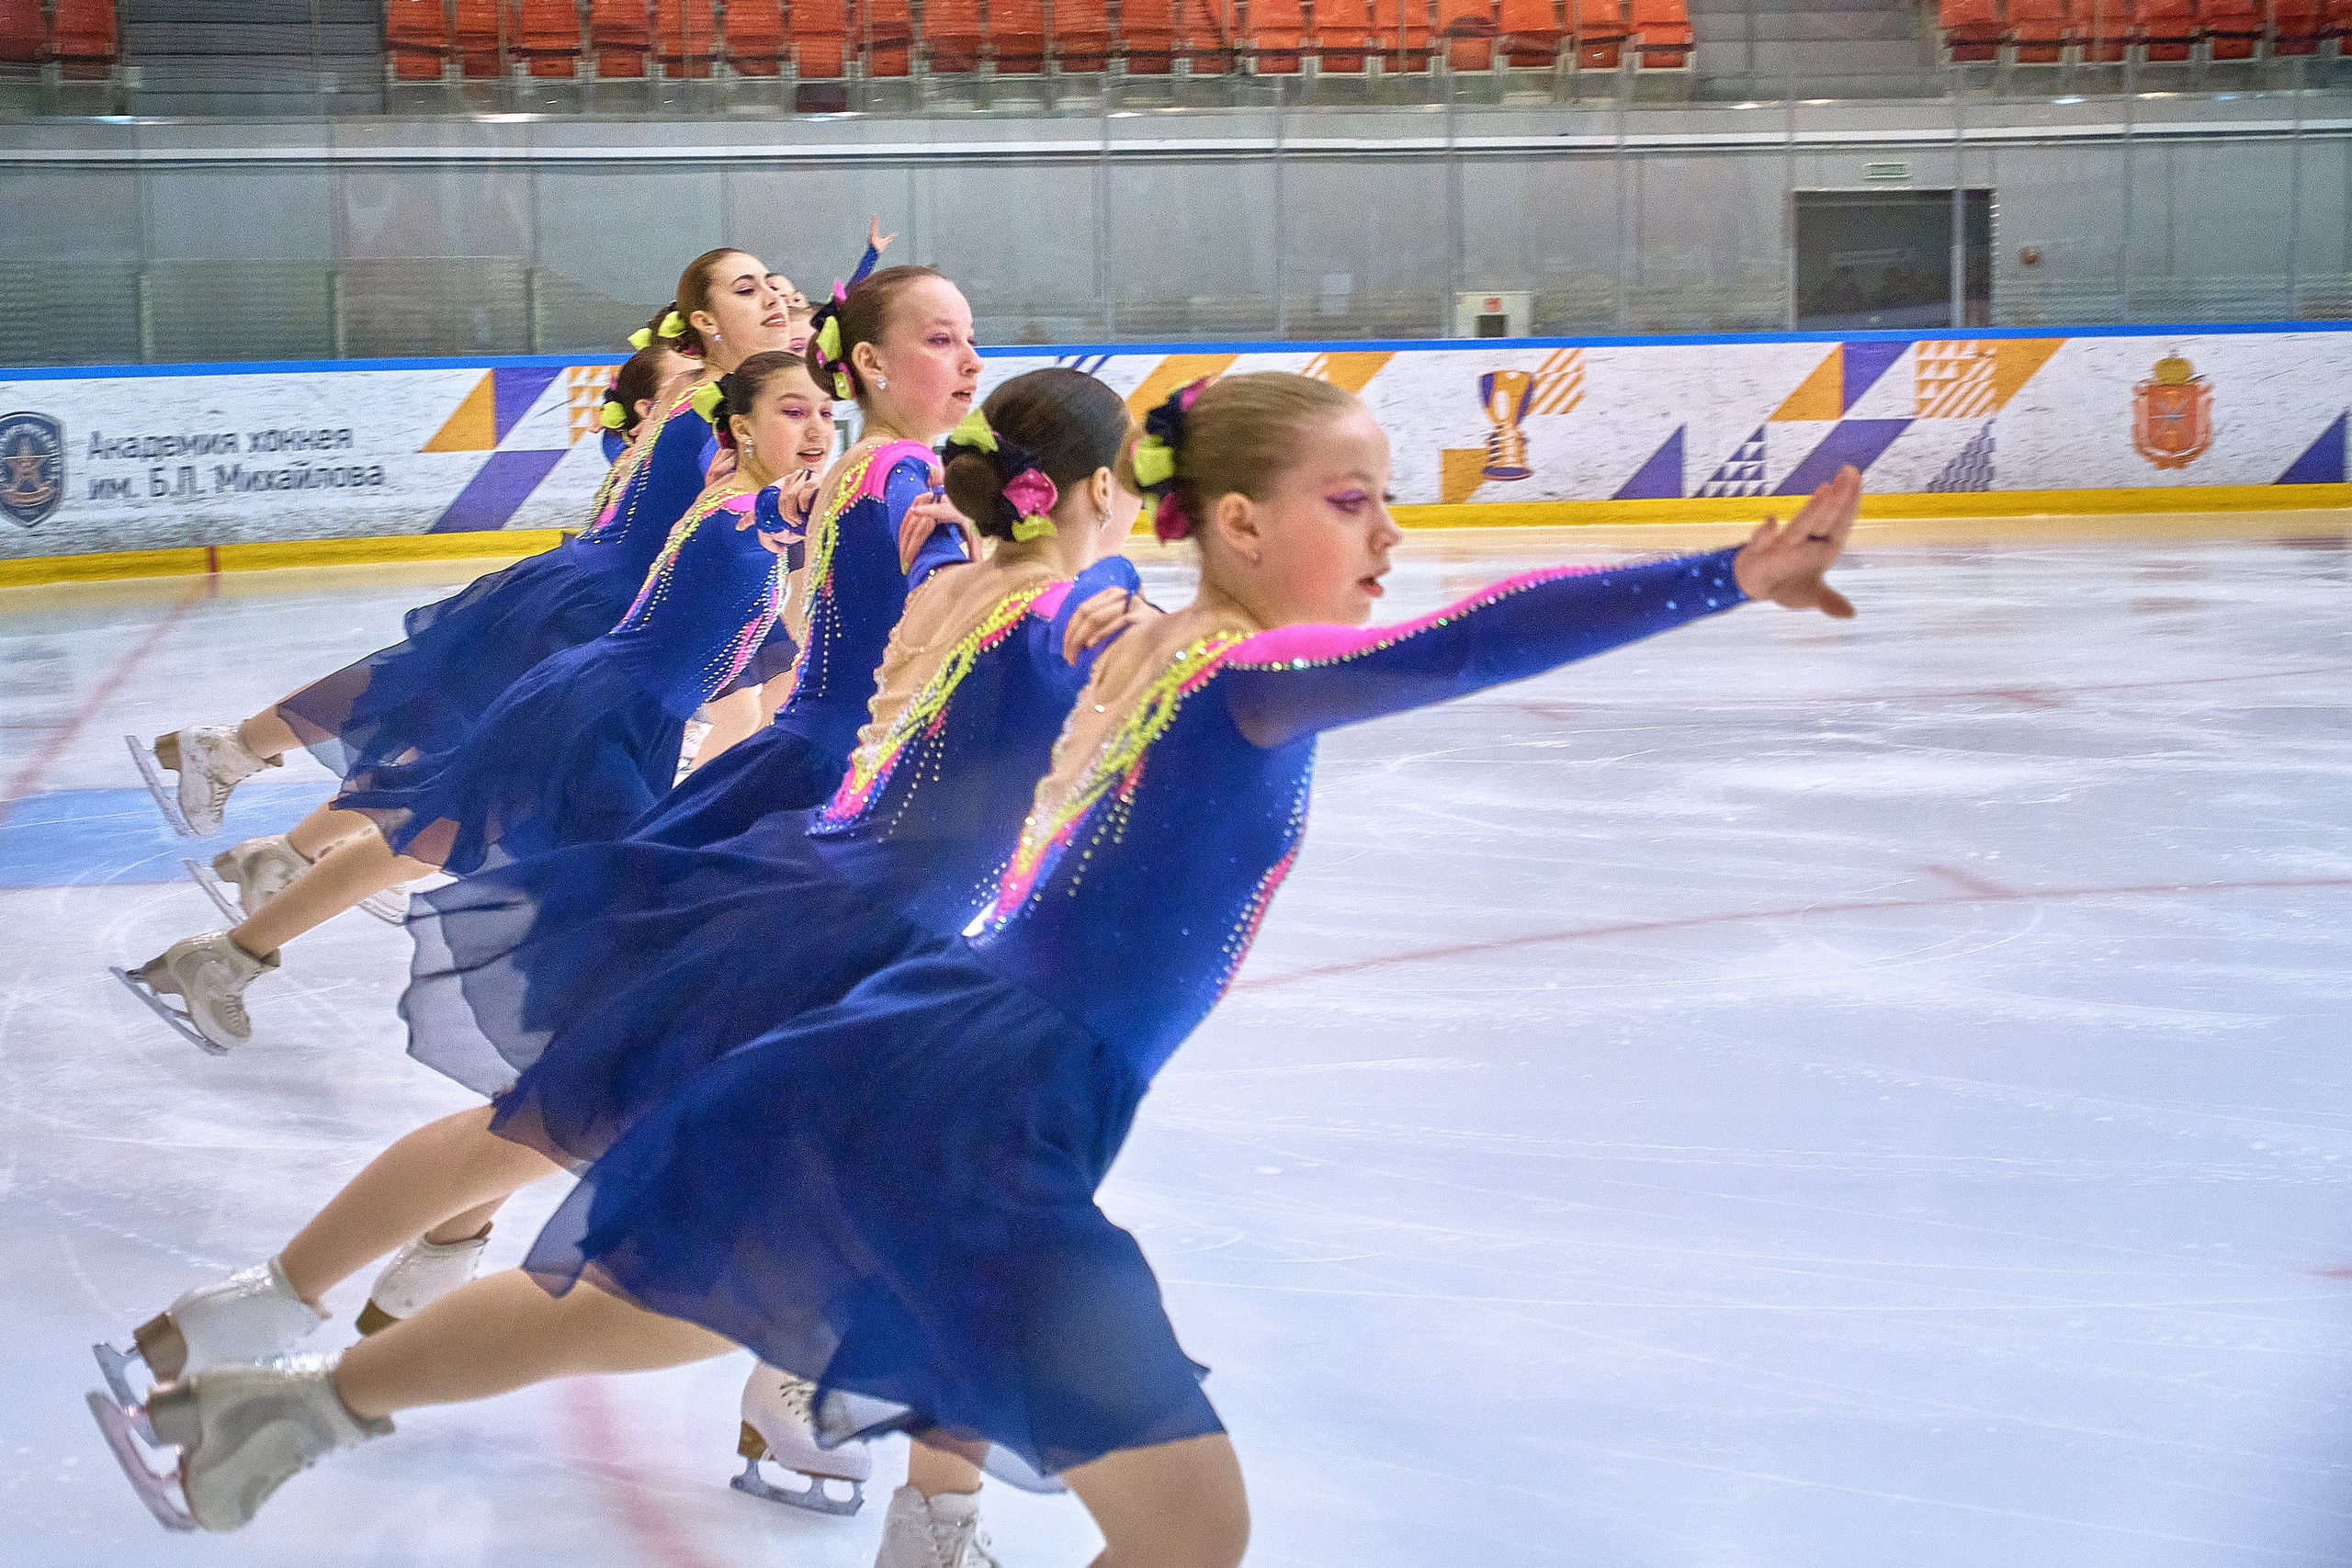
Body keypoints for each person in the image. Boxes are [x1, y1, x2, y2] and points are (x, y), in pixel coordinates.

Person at [93, 374, 1862, 1568]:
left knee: (634, 1299)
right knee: (1190, 1529)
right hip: (985, 1092)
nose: (1386, 530)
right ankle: (302, 1387)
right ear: (1237, 525)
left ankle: (303, 1398)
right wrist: (1724, 571)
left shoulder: (1149, 633)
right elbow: (1449, 648)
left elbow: (1120, 617)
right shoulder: (1247, 673)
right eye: (1354, 499)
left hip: (921, 1039)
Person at [99, 368, 1153, 1540]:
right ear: (1100, 485)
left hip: (812, 878)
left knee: (577, 1133)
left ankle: (259, 1322)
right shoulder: (1022, 584)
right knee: (858, 1214)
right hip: (854, 919)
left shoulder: (942, 547)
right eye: (937, 336)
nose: (955, 359)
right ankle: (864, 1457)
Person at [111, 351, 831, 1055]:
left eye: (827, 412)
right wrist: (812, 500)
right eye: (792, 411)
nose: (816, 427)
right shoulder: (744, 505)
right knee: (623, 883)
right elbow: (767, 511)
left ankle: (228, 952)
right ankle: (601, 1066)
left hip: (610, 707)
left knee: (425, 829)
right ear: (737, 426)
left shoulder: (735, 488)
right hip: (595, 715)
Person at [131, 247, 797, 941]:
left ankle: (269, 833)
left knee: (441, 742)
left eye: (776, 289)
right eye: (748, 291)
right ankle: (247, 782)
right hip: (589, 614)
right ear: (705, 321)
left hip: (611, 613)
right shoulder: (703, 398)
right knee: (422, 710)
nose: (775, 300)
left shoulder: (725, 397)